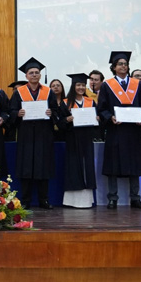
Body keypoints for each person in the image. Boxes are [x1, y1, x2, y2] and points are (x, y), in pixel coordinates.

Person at [97, 51, 141, 209]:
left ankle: (135, 197)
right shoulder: (107, 85)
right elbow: (102, 108)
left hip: (133, 131)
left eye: (125, 64)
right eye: (120, 64)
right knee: (113, 165)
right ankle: (112, 198)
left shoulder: (137, 84)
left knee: (135, 165)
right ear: (113, 67)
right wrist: (110, 117)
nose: (123, 66)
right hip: (116, 130)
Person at [11, 57, 58, 209]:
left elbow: (56, 111)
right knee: (26, 168)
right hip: (26, 135)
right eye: (31, 73)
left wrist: (52, 113)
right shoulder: (19, 92)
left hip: (43, 135)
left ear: (40, 75)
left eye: (37, 72)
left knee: (43, 168)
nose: (34, 75)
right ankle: (25, 201)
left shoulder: (48, 92)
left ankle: (44, 199)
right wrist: (17, 113)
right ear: (26, 76)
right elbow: (11, 111)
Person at [61, 73, 99, 208]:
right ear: (73, 86)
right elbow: (60, 123)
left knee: (87, 166)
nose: (81, 87)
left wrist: (97, 120)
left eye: (83, 85)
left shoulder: (90, 101)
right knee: (73, 167)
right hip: (72, 139)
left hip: (86, 138)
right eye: (78, 85)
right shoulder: (66, 103)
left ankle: (86, 200)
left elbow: (96, 122)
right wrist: (66, 120)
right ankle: (72, 200)